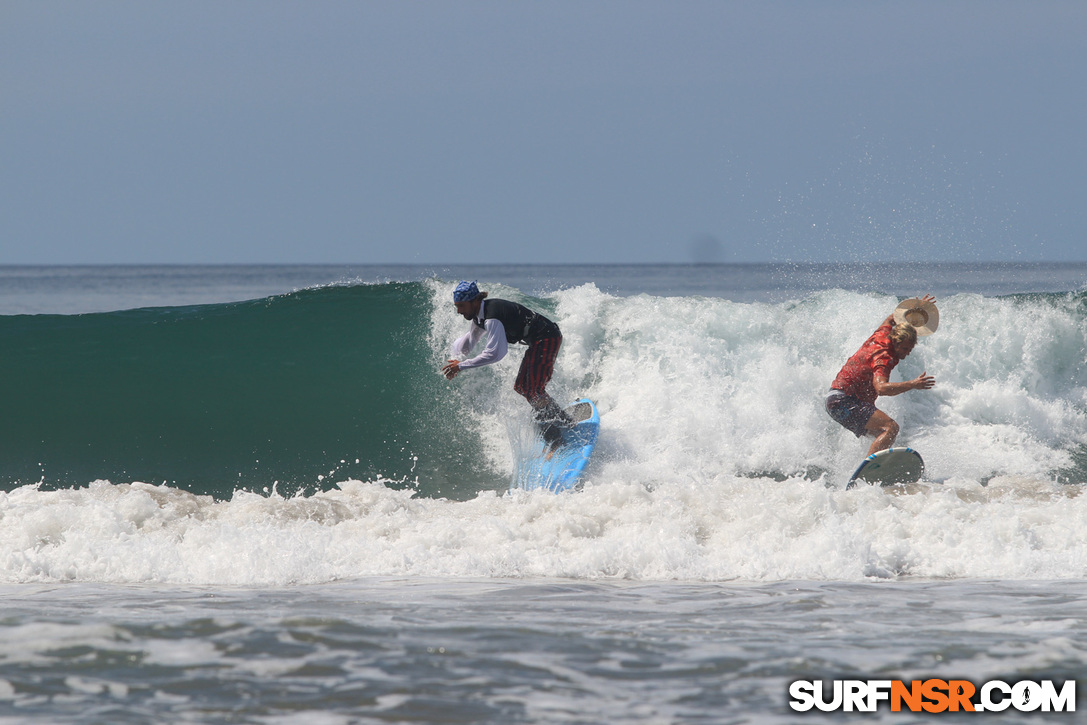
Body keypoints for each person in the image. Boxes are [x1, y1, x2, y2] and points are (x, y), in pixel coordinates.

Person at [442, 281, 572, 449]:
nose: (459, 311)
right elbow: (470, 340)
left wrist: (461, 366)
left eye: (461, 306)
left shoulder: (492, 317)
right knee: (522, 387)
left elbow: (495, 353)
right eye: (456, 306)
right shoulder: (478, 316)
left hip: (547, 337)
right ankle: (564, 420)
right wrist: (455, 359)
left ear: (475, 301)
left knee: (533, 390)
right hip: (536, 341)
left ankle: (556, 441)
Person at [825, 295, 938, 456]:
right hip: (844, 401)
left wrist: (918, 309)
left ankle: (870, 472)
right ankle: (868, 471)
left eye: (910, 350)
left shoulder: (882, 334)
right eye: (904, 349)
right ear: (896, 343)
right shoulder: (883, 357)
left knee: (883, 435)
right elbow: (882, 388)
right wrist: (913, 384)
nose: (906, 354)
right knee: (891, 428)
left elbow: (893, 318)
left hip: (835, 399)